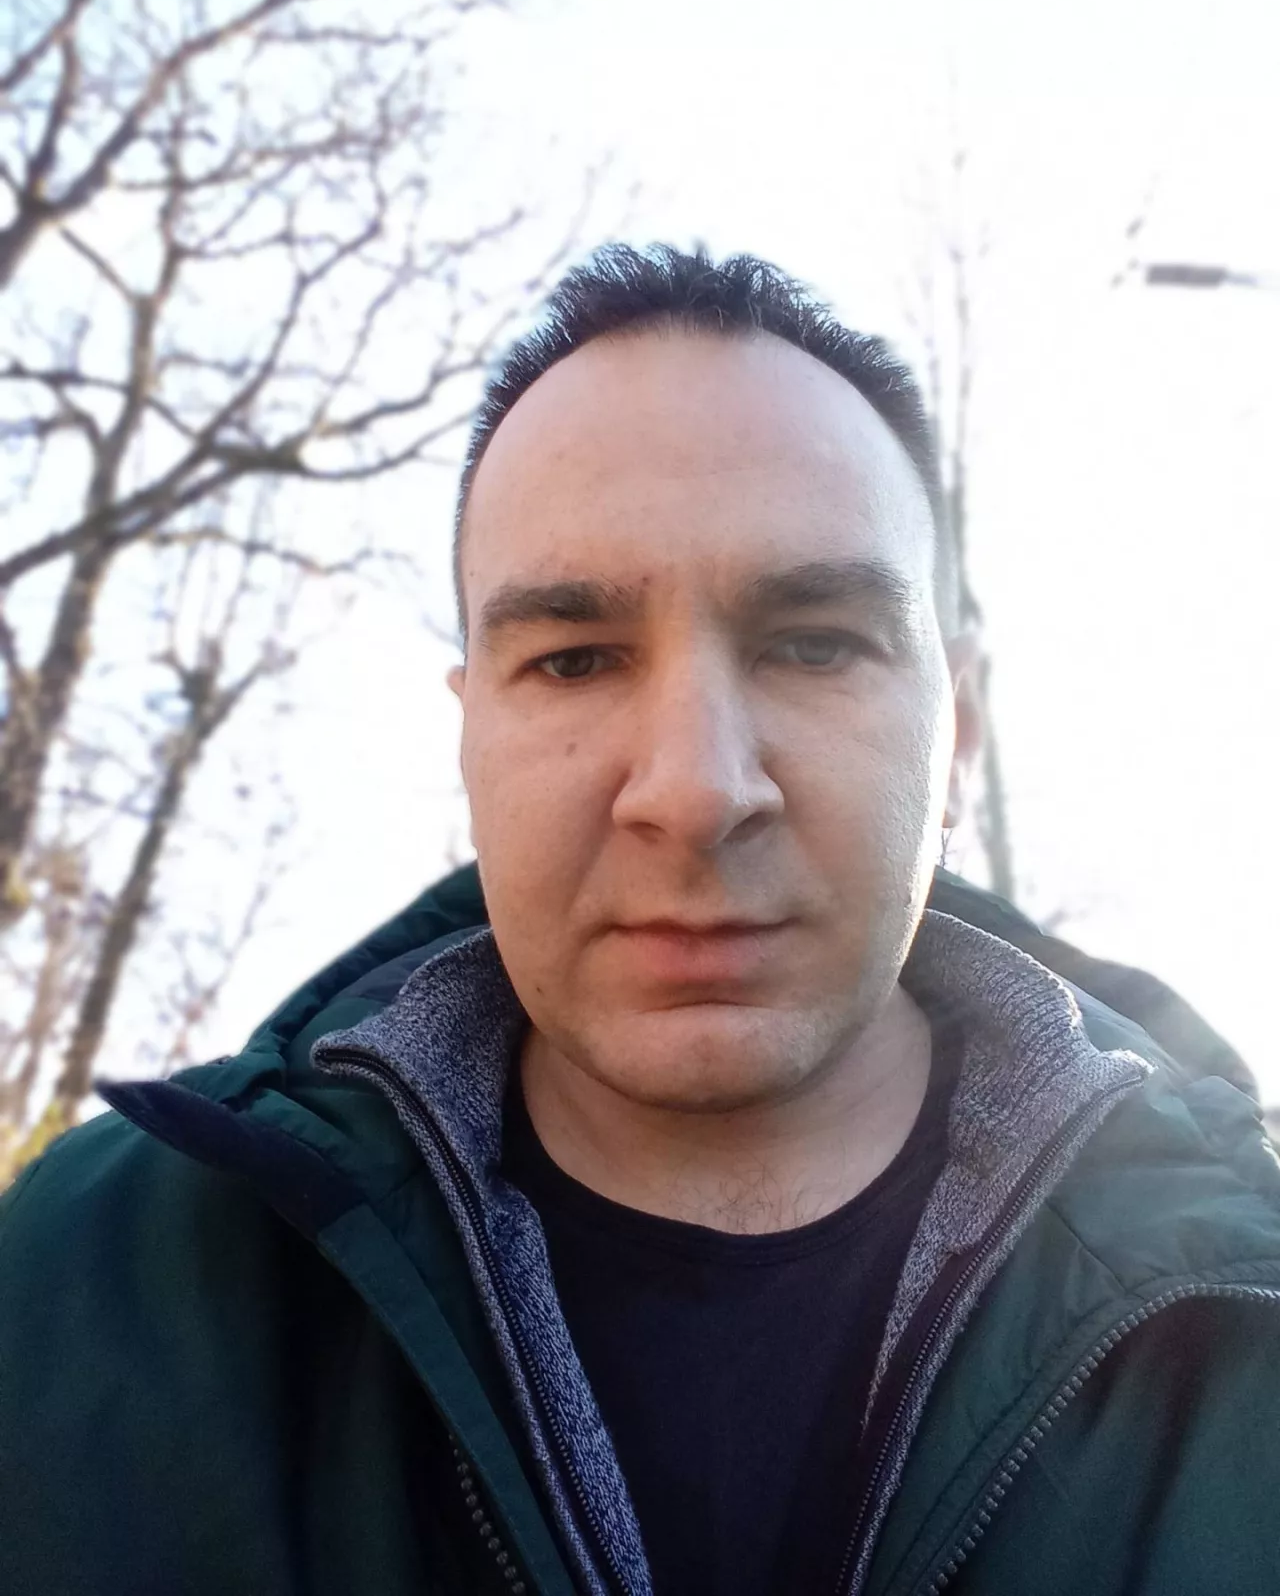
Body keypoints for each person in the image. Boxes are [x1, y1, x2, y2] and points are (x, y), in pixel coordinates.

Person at [2, 245, 1278, 1596]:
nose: (695, 790)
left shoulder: (1248, 1314)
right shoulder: (83, 1289)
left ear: (955, 729)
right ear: (470, 737)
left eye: (814, 643)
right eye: (573, 659)